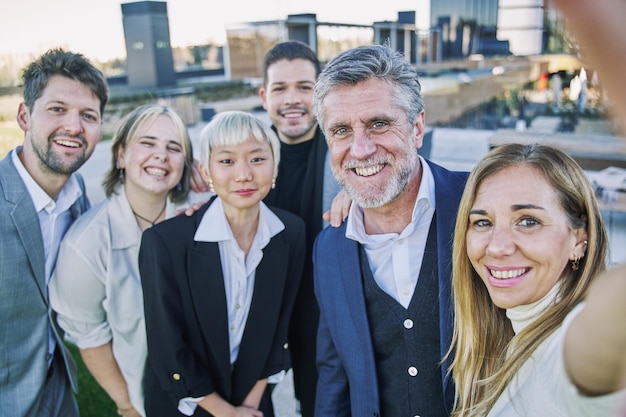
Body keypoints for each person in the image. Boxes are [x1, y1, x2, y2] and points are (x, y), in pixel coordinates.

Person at [311, 43, 469, 416]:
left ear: (416, 127)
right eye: (341, 130)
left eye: (378, 124)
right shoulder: (330, 248)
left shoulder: (477, 203)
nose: (361, 149)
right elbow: (335, 373)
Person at [139, 110, 306, 417]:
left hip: (253, 399)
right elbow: (167, 346)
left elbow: (281, 326)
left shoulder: (291, 233)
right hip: (188, 403)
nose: (244, 174)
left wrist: (250, 405)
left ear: (275, 165)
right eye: (227, 161)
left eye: (257, 159)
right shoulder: (165, 242)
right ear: (206, 171)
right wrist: (226, 413)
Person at [447, 142, 626, 416]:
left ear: (579, 240)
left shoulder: (571, 350)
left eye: (528, 221)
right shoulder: (509, 344)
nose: (497, 247)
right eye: (483, 222)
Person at [49, 103, 195, 417]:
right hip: (149, 393)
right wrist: (127, 405)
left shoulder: (200, 217)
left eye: (174, 147)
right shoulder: (86, 245)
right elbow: (91, 339)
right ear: (120, 156)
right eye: (147, 143)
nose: (161, 155)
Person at [0, 48, 108, 417]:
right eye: (57, 109)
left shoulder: (78, 199)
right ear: (25, 116)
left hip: (57, 392)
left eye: (88, 115)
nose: (74, 127)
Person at [258, 40, 343, 417]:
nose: (292, 99)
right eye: (280, 88)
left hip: (324, 317)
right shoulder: (246, 156)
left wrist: (363, 194)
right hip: (263, 316)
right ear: (264, 96)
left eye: (304, 87)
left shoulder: (348, 155)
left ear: (320, 92)